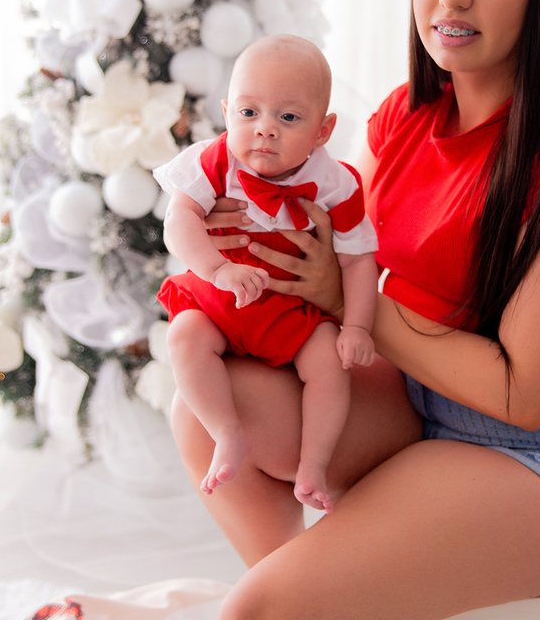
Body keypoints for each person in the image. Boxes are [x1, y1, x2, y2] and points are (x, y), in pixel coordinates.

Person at [170, 0, 540, 619]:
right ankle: (309, 598)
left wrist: (340, 293)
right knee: (203, 407)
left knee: (255, 609)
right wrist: (249, 221)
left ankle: (284, 603)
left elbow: (524, 395)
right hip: (418, 400)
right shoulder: (409, 114)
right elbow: (334, 250)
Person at [155, 34, 380, 515]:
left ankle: (313, 465)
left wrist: (357, 325)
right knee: (183, 336)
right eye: (248, 113)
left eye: (289, 117)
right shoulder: (214, 160)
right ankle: (226, 434)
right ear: (226, 110)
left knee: (328, 366)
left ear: (322, 131)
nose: (265, 131)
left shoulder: (335, 183)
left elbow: (360, 258)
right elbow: (178, 220)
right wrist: (218, 269)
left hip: (287, 311)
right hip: (219, 299)